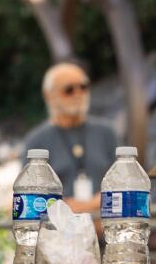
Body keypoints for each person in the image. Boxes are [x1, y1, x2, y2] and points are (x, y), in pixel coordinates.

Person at [23, 62, 118, 213]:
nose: (78, 93)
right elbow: (29, 198)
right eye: (69, 90)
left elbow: (126, 185)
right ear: (49, 95)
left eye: (83, 87)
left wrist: (89, 205)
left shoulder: (107, 133)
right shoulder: (36, 141)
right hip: (58, 232)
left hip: (106, 230)